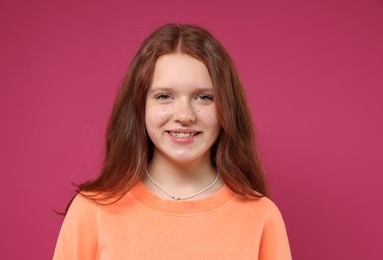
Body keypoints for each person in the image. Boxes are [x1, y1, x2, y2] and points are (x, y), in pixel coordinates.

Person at [53, 23, 292, 259]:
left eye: (204, 97)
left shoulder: (261, 216)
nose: (184, 116)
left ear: (226, 108)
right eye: (164, 96)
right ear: (139, 105)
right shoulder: (92, 211)